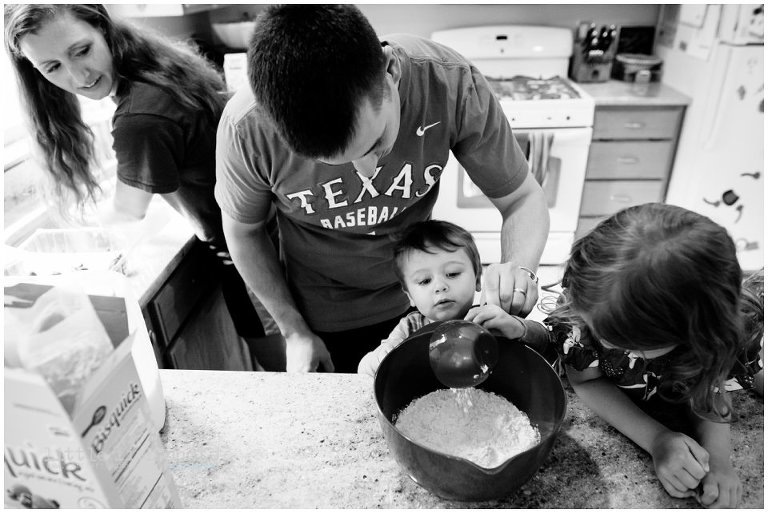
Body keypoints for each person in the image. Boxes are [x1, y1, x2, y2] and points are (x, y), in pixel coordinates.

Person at [215, 4, 550, 374]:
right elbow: (244, 232)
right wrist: (294, 331)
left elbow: (521, 198)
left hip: (418, 297)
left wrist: (519, 271)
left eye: (375, 143)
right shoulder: (245, 128)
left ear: (390, 70)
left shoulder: (448, 82)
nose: (367, 172)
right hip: (320, 312)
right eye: (333, 161)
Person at [4, 4, 272, 343]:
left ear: (102, 27)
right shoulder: (153, 70)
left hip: (253, 260)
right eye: (53, 67)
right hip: (268, 239)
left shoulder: (139, 119)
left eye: (81, 51)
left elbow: (128, 213)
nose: (79, 76)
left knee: (286, 380)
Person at [544, 203, 764, 508]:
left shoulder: (718, 333)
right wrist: (656, 439)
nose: (598, 336)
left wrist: (718, 462)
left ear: (691, 337)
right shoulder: (588, 300)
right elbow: (586, 381)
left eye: (615, 340)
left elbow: (711, 389)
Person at [357, 220, 550, 377]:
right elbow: (364, 368)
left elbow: (546, 341)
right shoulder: (410, 328)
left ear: (477, 279)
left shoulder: (489, 317)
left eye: (452, 273)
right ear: (410, 296)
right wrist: (384, 358)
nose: (440, 286)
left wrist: (517, 327)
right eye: (424, 281)